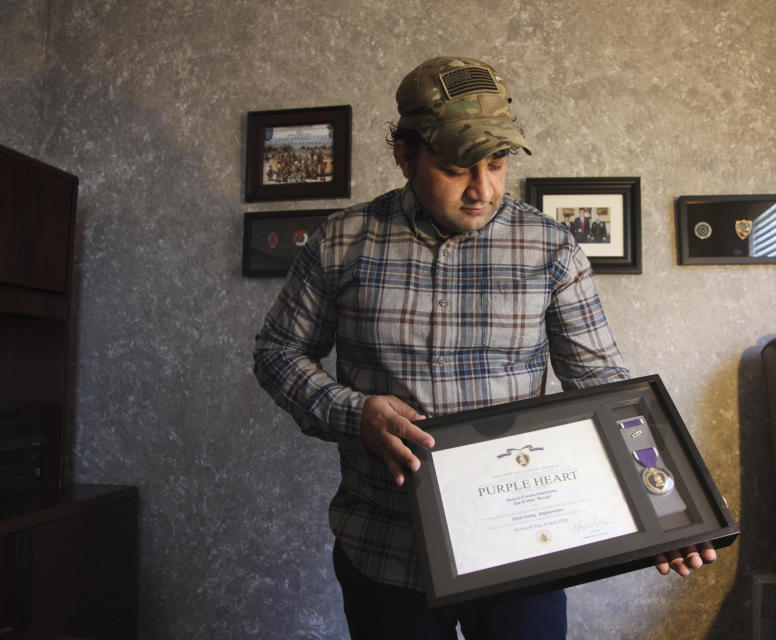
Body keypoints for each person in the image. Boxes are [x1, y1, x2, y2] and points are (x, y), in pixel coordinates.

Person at [253, 55, 714, 640]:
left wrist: (669, 508)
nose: (483, 189)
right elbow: (276, 352)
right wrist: (353, 413)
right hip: (385, 549)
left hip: (523, 550)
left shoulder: (552, 249)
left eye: (497, 165)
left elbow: (604, 386)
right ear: (404, 156)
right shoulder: (341, 242)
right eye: (455, 169)